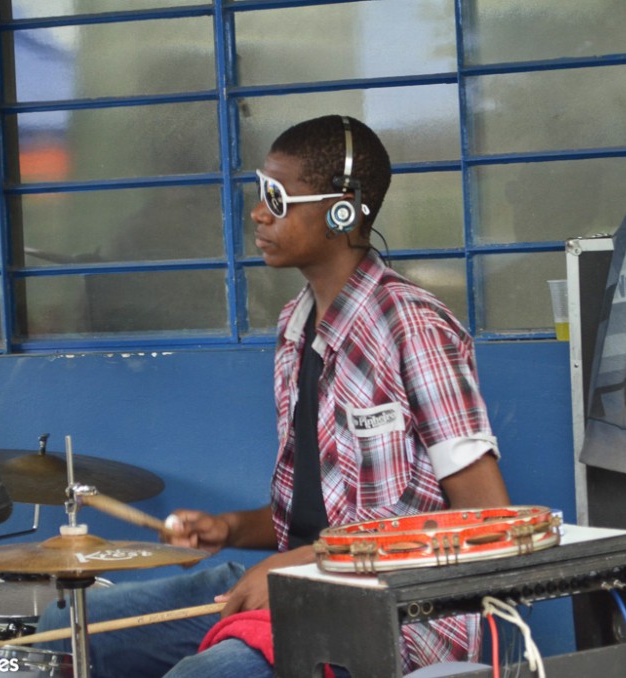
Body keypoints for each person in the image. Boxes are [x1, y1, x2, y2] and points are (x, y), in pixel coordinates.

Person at [36, 115, 510, 677]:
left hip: (395, 613)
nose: (259, 214)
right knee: (65, 631)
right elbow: (321, 511)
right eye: (262, 194)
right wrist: (231, 528)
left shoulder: (412, 325)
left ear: (342, 212)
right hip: (298, 585)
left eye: (278, 200)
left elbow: (487, 516)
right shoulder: (294, 325)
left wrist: (310, 561)